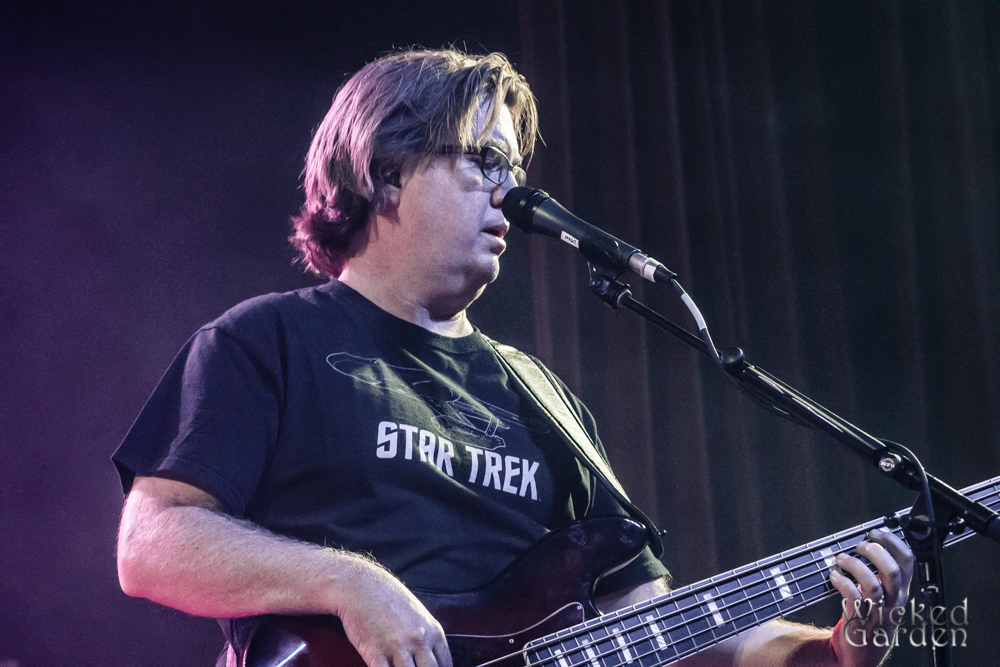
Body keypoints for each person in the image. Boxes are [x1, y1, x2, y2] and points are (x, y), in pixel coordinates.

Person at [114, 48, 913, 667]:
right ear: (386, 171)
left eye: (518, 170)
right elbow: (151, 545)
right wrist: (348, 580)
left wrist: (835, 649)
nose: (512, 192)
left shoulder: (545, 399)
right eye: (485, 161)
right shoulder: (266, 341)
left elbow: (648, 623)